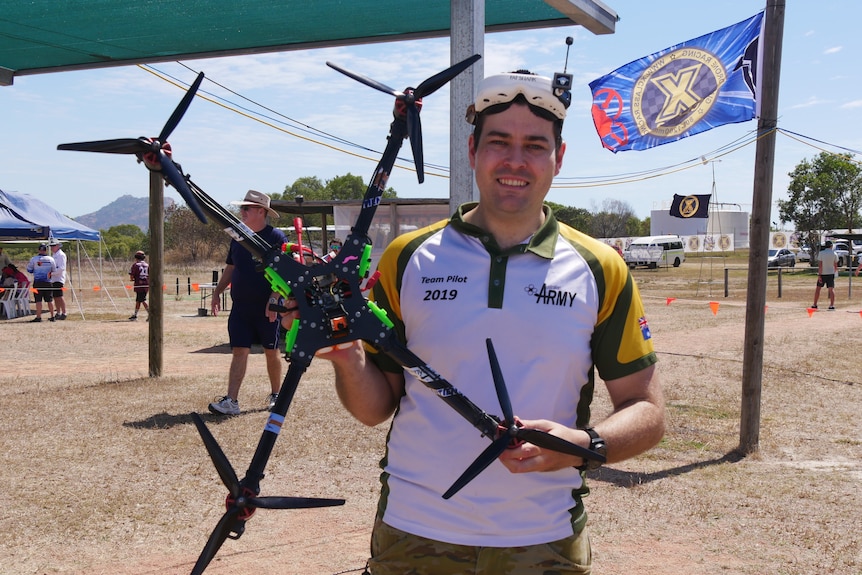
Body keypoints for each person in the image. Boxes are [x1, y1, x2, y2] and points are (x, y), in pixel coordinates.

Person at [300, 71, 666, 574]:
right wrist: (346, 357)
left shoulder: (601, 268)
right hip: (413, 533)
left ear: (559, 159)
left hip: (545, 541)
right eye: (499, 142)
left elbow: (646, 410)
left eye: (535, 146)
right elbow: (374, 407)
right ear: (473, 150)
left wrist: (581, 446)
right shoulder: (408, 258)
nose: (515, 161)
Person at [208, 190, 287, 416]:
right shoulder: (237, 237)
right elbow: (231, 267)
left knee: (271, 351)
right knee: (239, 351)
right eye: (242, 208)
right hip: (240, 307)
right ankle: (231, 401)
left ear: (261, 211)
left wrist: (275, 297)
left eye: (246, 209)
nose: (241, 212)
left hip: (267, 307)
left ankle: (276, 396)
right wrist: (217, 292)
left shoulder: (276, 238)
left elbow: (284, 273)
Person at [26, 243, 57, 323]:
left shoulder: (34, 259)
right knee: (49, 300)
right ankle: (52, 316)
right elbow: (54, 270)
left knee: (38, 300)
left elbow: (29, 269)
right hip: (48, 282)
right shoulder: (51, 259)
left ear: (39, 250)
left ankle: (38, 317)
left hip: (37, 282)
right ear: (46, 250)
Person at [812, 240, 838, 310]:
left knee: (818, 289)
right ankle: (831, 305)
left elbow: (820, 265)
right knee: (831, 289)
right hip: (831, 273)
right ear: (831, 246)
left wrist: (819, 275)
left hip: (823, 273)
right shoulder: (834, 253)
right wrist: (835, 273)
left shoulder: (821, 253)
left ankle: (815, 304)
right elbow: (835, 265)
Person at [48, 238, 67, 320]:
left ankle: (64, 312)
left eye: (53, 246)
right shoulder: (54, 255)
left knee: (60, 296)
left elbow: (61, 268)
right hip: (53, 278)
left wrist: (52, 273)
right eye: (51, 246)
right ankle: (58, 312)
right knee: (55, 297)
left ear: (58, 246)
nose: (52, 247)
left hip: (59, 278)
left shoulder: (61, 255)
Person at [129, 250, 150, 320]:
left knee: (142, 299)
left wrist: (132, 279)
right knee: (138, 300)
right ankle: (135, 315)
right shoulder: (147, 265)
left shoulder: (135, 265)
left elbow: (132, 276)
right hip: (146, 284)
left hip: (139, 284)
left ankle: (151, 314)